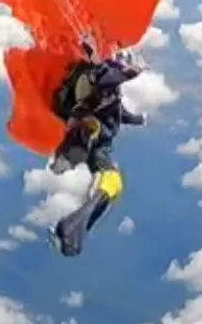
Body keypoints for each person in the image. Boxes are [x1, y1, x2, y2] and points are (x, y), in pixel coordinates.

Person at [48, 48, 148, 257]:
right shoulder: (101, 78)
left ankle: (73, 234)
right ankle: (69, 232)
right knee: (111, 182)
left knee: (112, 186)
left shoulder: (107, 93)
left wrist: (139, 119)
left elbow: (120, 113)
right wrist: (130, 72)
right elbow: (107, 78)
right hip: (95, 141)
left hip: (97, 140)